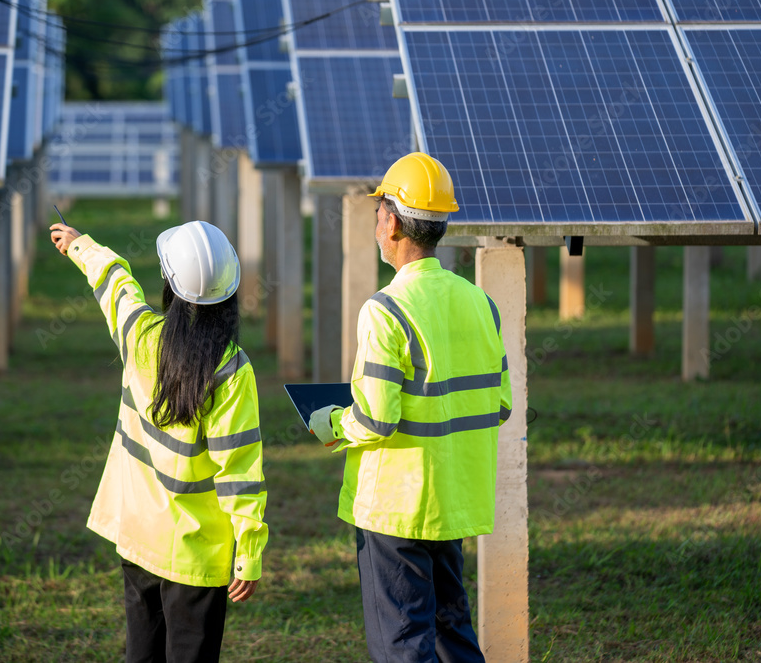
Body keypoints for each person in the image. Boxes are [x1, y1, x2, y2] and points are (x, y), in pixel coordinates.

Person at [308, 152, 511, 662]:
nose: (377, 220)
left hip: (395, 508)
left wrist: (330, 421)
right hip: (453, 501)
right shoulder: (480, 302)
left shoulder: (385, 310)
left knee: (403, 643)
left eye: (379, 211)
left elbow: (377, 418)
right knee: (452, 634)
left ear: (393, 222)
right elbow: (500, 403)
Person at [50, 219, 268, 663]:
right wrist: (248, 550)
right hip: (197, 556)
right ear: (229, 295)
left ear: (169, 285)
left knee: (141, 654)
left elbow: (116, 282)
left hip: (137, 537)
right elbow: (239, 469)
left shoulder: (141, 337)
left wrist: (79, 245)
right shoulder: (231, 370)